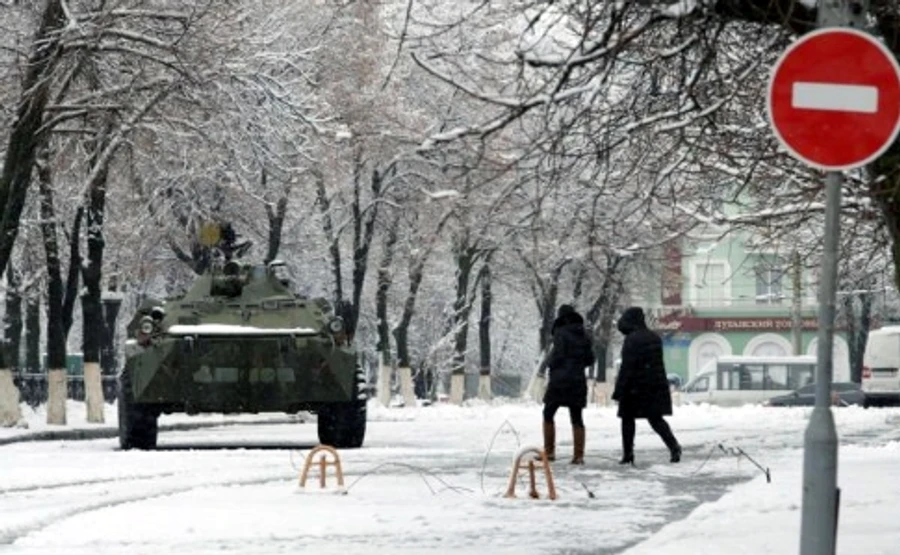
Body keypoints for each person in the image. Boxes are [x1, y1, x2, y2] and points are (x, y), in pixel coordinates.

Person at [612, 306, 681, 465]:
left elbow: (627, 366)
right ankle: (674, 446)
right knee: (656, 419)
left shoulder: (632, 339)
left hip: (634, 386)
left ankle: (628, 453)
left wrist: (619, 390)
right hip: (654, 385)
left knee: (627, 419)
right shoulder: (654, 337)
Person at [542, 304, 595, 464]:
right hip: (577, 380)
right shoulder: (584, 335)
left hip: (559, 380)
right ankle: (578, 456)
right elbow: (590, 359)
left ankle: (549, 452)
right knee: (577, 417)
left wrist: (551, 364)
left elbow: (557, 355)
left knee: (548, 413)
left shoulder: (560, 333)